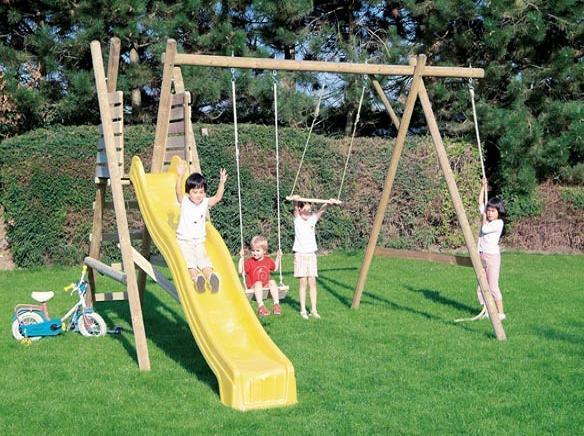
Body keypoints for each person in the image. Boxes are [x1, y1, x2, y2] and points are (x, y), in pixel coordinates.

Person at [176, 162, 227, 293]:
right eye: (195, 192)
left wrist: (222, 182)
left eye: (201, 192)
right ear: (189, 192)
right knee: (190, 262)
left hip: (199, 241)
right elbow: (178, 192)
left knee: (204, 261)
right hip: (184, 241)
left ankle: (210, 277)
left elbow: (217, 197)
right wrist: (180, 176)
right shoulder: (185, 201)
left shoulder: (204, 202)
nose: (198, 195)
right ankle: (197, 278)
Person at [292, 199, 336, 320]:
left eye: (309, 210)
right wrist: (295, 200)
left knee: (312, 283)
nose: (307, 212)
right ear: (300, 210)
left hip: (311, 255)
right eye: (305, 210)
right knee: (303, 282)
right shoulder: (298, 220)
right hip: (300, 254)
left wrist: (328, 203)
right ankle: (302, 310)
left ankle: (314, 310)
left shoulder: (312, 219)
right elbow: (295, 208)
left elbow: (321, 210)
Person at [476, 178, 507, 320]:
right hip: (481, 255)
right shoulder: (488, 218)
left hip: (492, 257)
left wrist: (484, 218)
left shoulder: (498, 223)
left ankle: (500, 313)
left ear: (498, 212)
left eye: (493, 211)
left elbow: (484, 228)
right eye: (488, 211)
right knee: (481, 287)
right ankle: (487, 309)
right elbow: (480, 203)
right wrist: (483, 186)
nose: (489, 213)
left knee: (493, 286)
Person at [238, 235, 283, 317]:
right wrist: (241, 258)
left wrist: (278, 257)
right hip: (253, 287)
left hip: (264, 286)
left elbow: (275, 268)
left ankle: (276, 304)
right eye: (253, 250)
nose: (255, 253)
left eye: (257, 251)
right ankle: (261, 307)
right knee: (258, 283)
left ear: (264, 251)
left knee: (272, 281)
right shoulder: (249, 262)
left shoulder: (268, 260)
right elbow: (241, 271)